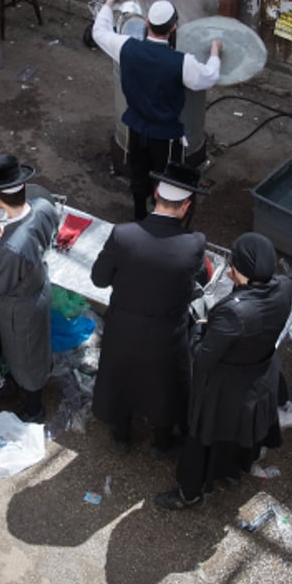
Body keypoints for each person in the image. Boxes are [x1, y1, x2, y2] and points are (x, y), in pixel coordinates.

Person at [155, 233, 292, 509]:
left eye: (234, 265)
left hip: (224, 388)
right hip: (260, 377)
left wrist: (200, 328)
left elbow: (203, 358)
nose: (230, 270)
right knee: (238, 435)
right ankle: (232, 471)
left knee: (202, 438)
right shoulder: (284, 288)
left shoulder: (234, 313)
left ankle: (190, 493)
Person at [91, 163, 210, 457]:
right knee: (164, 387)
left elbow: (99, 278)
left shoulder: (123, 235)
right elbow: (203, 279)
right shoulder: (194, 243)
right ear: (187, 206)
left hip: (123, 328)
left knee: (122, 378)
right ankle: (161, 443)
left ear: (156, 193)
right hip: (166, 333)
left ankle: (121, 437)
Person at [91, 0, 222, 219]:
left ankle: (140, 214)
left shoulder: (126, 47)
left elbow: (99, 32)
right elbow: (209, 77)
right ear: (174, 28)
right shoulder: (182, 62)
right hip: (166, 137)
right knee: (168, 179)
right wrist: (214, 53)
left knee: (138, 174)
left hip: (136, 130)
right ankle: (163, 217)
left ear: (146, 23)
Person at [0, 154, 56, 423]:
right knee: (38, 347)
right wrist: (0, 235)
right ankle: (33, 392)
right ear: (25, 188)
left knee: (25, 356)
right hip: (39, 288)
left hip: (21, 308)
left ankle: (33, 409)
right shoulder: (43, 207)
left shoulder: (14, 247)